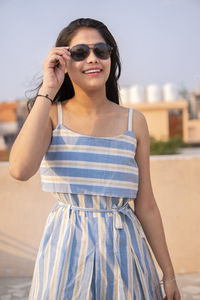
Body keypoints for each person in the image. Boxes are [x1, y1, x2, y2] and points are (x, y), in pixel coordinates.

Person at [9, 18, 181, 300]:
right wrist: (49, 89)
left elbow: (146, 204)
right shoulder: (52, 115)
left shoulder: (134, 122)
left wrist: (169, 273)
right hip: (65, 252)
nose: (93, 59)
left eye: (101, 51)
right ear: (63, 60)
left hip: (125, 253)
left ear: (111, 57)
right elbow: (19, 169)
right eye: (80, 53)